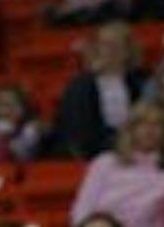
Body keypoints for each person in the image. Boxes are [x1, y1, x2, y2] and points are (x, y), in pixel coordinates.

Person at [50, 22, 147, 160]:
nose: (110, 51)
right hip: (95, 152)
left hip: (137, 147)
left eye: (116, 45)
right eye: (105, 45)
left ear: (127, 50)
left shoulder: (141, 82)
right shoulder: (80, 86)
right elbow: (78, 129)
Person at [69, 103, 164, 227]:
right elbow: (82, 209)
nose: (149, 130)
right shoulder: (104, 163)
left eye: (157, 124)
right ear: (131, 129)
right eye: (142, 124)